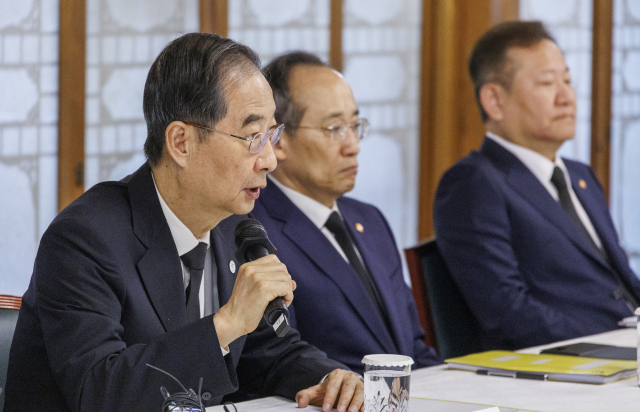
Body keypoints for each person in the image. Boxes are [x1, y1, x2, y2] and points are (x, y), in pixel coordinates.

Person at [4, 34, 364, 412]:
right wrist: (225, 324)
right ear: (181, 142)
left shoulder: (231, 225)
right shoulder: (85, 239)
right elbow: (99, 390)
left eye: (272, 134)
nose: (270, 160)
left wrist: (328, 377)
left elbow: (270, 351)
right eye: (253, 136)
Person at [433, 21, 640, 350]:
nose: (566, 97)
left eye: (568, 81)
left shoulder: (580, 175)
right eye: (546, 83)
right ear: (495, 100)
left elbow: (621, 283)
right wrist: (615, 343)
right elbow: (508, 313)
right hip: (572, 365)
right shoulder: (474, 183)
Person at [252, 51, 440, 374]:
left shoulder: (371, 220)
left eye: (355, 125)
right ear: (278, 140)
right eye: (334, 128)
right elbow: (279, 362)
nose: (353, 145)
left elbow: (412, 349)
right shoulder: (256, 229)